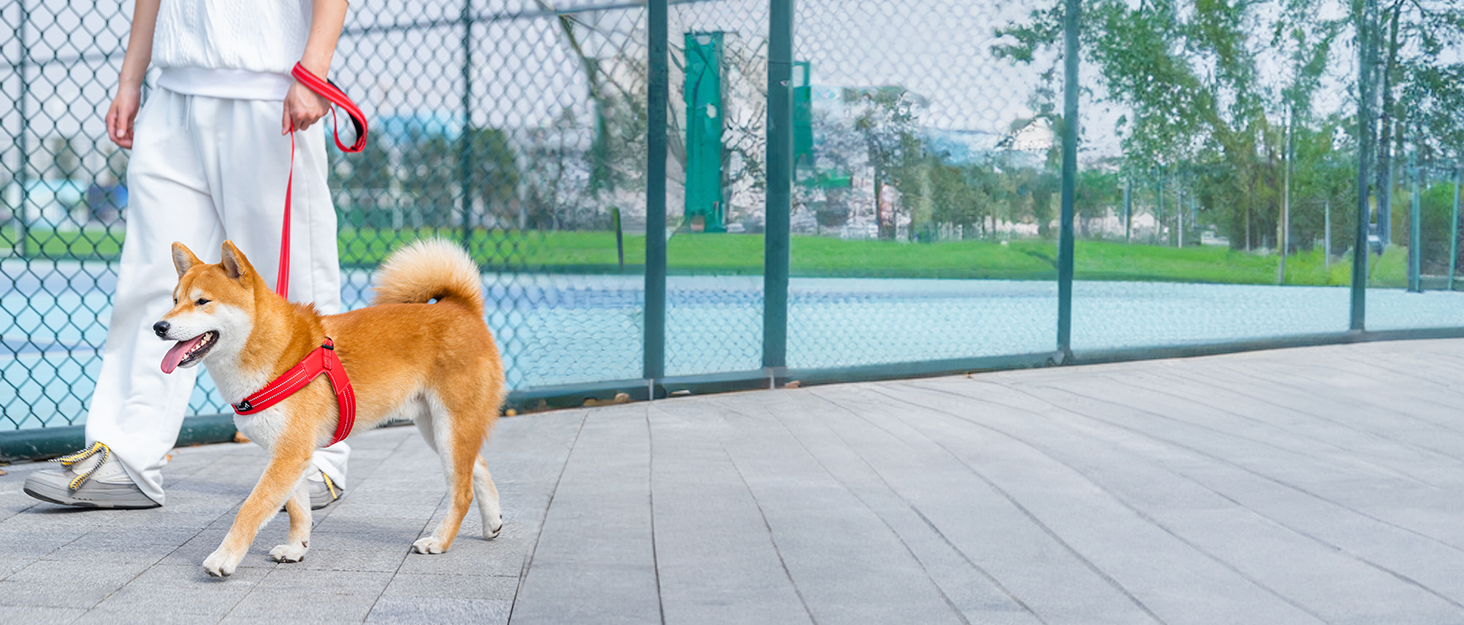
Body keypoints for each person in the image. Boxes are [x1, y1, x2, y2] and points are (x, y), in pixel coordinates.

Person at [24, 0, 353, 509]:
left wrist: (315, 68)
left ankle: (318, 456)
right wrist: (131, 80)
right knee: (158, 285)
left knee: (291, 288)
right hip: (172, 89)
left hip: (269, 88)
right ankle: (127, 455)